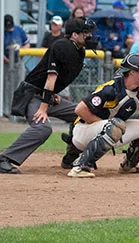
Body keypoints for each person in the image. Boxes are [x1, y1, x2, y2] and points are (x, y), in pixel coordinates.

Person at [0, 17, 97, 174]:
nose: (90, 36)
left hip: (47, 95)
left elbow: (57, 80)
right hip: (32, 96)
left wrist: (54, 95)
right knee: (42, 128)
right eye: (86, 33)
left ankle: (71, 158)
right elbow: (50, 78)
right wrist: (43, 108)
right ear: (74, 35)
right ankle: (4, 158)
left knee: (83, 114)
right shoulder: (62, 46)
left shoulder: (78, 50)